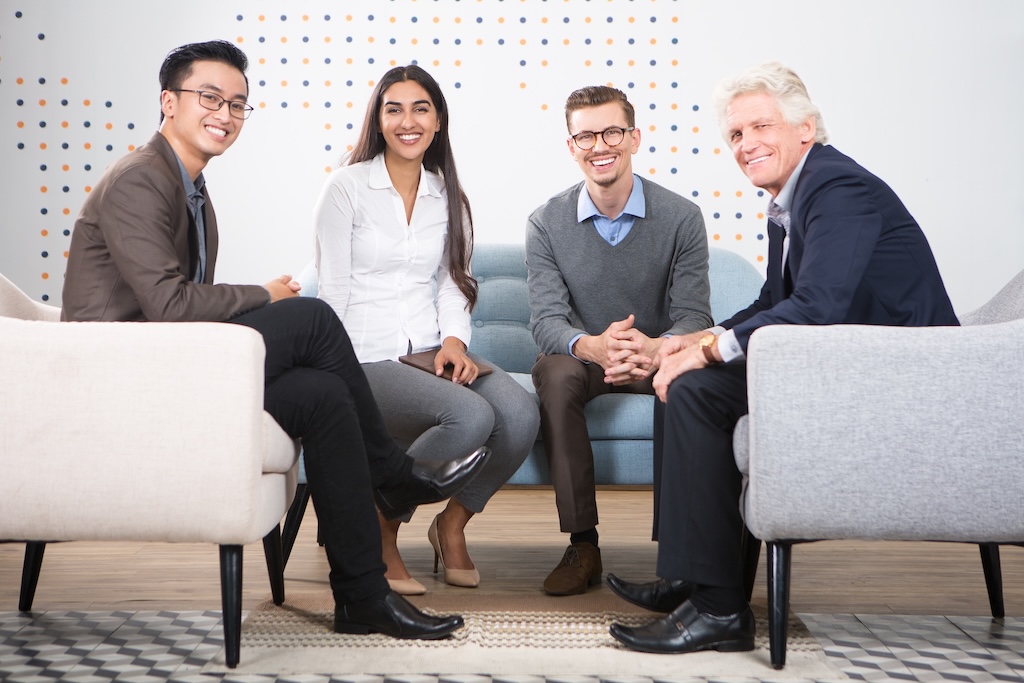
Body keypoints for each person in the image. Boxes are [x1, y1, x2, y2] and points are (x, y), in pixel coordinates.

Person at [60, 40, 491, 640]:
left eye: (238, 103)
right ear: (168, 101)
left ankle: (362, 595)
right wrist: (262, 294)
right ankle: (392, 470)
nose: (226, 113)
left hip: (163, 362)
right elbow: (168, 305)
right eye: (209, 97)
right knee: (311, 318)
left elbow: (172, 309)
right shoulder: (140, 180)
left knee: (323, 395)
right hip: (128, 378)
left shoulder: (191, 189)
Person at [608, 62, 959, 654]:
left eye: (760, 126)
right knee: (678, 378)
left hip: (902, 378)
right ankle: (694, 577)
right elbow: (777, 301)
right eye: (736, 135)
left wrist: (711, 350)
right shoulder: (791, 200)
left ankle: (720, 613)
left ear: (806, 128)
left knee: (694, 386)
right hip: (843, 361)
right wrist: (691, 343)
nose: (747, 144)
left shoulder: (836, 187)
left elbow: (819, 304)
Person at [313, 64, 539, 593]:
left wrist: (456, 341)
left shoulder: (448, 195)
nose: (407, 121)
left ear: (438, 121)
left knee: (520, 413)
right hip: (363, 356)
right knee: (468, 414)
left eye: (421, 109)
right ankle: (380, 529)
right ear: (378, 119)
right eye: (394, 109)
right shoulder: (345, 188)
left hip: (430, 348)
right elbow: (334, 290)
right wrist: (335, 373)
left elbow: (451, 282)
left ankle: (452, 524)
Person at [525, 85, 713, 596]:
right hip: (588, 357)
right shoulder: (545, 223)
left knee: (688, 374)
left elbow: (695, 315)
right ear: (571, 145)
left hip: (655, 353)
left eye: (610, 131)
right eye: (585, 135)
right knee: (555, 370)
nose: (598, 144)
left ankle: (679, 556)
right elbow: (546, 322)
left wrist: (652, 349)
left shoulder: (681, 217)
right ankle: (583, 544)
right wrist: (594, 346)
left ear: (633, 137)